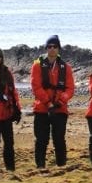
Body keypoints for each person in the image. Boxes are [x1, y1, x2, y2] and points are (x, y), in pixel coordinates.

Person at [30, 35, 75, 169]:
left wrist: (61, 101)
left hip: (60, 109)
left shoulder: (66, 67)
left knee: (59, 139)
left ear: (58, 48)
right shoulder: (37, 66)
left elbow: (70, 88)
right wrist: (48, 102)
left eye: (55, 46)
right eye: (49, 46)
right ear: (46, 48)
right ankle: (40, 167)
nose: (52, 49)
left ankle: (61, 166)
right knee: (41, 140)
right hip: (42, 109)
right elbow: (36, 87)